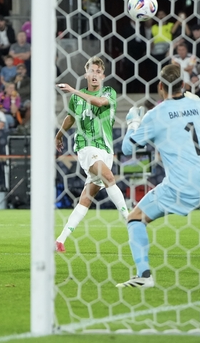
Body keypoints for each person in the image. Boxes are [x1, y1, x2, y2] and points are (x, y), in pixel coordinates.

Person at [117, 63, 200, 288]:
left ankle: (144, 275)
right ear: (184, 85)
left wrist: (133, 122)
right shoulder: (198, 105)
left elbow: (126, 148)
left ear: (160, 86)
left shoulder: (155, 114)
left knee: (135, 218)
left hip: (182, 182)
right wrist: (198, 105)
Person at [54, 57, 128, 252]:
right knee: (109, 176)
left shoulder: (109, 92)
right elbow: (70, 118)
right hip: (87, 147)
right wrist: (60, 134)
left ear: (103, 75)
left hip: (106, 150)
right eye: (91, 71)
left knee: (86, 197)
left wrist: (73, 90)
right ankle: (131, 221)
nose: (94, 74)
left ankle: (61, 239)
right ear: (86, 74)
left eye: (98, 71)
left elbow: (99, 102)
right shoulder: (77, 98)